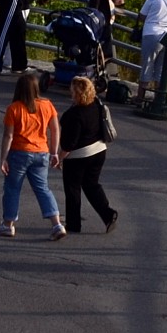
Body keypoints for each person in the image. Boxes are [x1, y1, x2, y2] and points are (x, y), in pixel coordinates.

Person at [0, 73, 63, 239]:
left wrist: (3, 158)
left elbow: (8, 136)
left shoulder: (14, 108)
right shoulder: (47, 105)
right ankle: (57, 224)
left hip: (19, 153)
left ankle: (8, 225)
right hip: (42, 152)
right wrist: (54, 152)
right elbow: (55, 129)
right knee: (42, 188)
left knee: (12, 188)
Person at [59, 76, 118, 234]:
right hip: (99, 151)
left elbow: (69, 144)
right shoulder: (96, 104)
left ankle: (74, 224)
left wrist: (60, 158)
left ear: (76, 93)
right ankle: (108, 214)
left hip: (79, 156)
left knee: (73, 189)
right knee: (91, 185)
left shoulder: (73, 115)